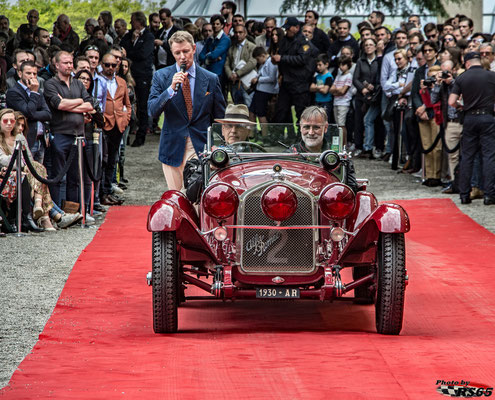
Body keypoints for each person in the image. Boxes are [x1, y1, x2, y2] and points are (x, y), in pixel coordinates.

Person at [148, 31, 226, 191]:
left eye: (185, 51)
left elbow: (219, 117)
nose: (182, 56)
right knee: (176, 199)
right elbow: (152, 111)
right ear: (172, 53)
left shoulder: (211, 78)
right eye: (177, 53)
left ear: (194, 49)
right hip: (172, 146)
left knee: (196, 199)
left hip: (200, 146)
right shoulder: (161, 76)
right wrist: (170, 90)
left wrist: (218, 145)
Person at [43, 51, 94, 209]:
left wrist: (70, 103)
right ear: (57, 65)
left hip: (78, 135)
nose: (69, 65)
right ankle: (57, 210)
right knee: (58, 176)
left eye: (71, 62)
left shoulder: (78, 83)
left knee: (75, 177)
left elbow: (90, 105)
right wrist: (78, 102)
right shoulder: (51, 84)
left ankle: (73, 211)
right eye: (65, 63)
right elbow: (58, 105)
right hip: (60, 134)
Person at [449, 52, 495, 205]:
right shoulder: (491, 76)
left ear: (466, 62)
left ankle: (464, 194)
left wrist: (461, 106)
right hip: (488, 116)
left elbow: (451, 101)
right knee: (489, 155)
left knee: (467, 156)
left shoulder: (462, 77)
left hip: (470, 117)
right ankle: (489, 194)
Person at [0, 108, 54, 231]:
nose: (9, 123)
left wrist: (19, 162)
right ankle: (41, 214)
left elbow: (29, 159)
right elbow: (3, 161)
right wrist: (18, 161)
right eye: (5, 121)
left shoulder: (19, 137)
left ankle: (37, 207)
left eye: (11, 121)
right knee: (28, 174)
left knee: (37, 168)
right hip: (6, 174)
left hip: (23, 170)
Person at [99, 53, 131, 205]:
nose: (110, 68)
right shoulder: (97, 80)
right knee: (102, 160)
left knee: (113, 159)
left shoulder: (122, 82)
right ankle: (100, 193)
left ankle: (107, 191)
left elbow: (128, 104)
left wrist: (126, 120)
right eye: (107, 65)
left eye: (114, 65)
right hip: (103, 124)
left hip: (118, 125)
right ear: (102, 64)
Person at [120, 11, 155, 147]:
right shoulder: (129, 36)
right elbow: (122, 49)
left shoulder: (148, 36)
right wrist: (132, 41)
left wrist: (131, 51)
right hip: (128, 74)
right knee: (127, 103)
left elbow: (143, 54)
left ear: (139, 22)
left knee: (142, 105)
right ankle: (127, 133)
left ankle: (141, 135)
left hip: (142, 75)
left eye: (132, 21)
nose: (130, 23)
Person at [6, 60, 51, 161]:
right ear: (20, 73)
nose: (32, 76)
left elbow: (48, 114)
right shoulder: (13, 92)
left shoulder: (38, 91)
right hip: (26, 139)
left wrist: (32, 115)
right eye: (28, 73)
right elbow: (27, 112)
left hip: (40, 139)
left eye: (34, 74)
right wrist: (34, 93)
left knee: (39, 174)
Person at [224, 25, 257, 107]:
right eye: (236, 32)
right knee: (236, 107)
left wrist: (237, 74)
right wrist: (230, 75)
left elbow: (252, 63)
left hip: (247, 82)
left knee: (248, 106)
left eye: (240, 32)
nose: (238, 34)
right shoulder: (231, 48)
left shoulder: (252, 46)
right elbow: (226, 64)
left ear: (245, 33)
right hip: (234, 82)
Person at [249, 46, 278, 127]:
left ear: (263, 55)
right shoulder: (264, 63)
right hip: (259, 90)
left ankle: (265, 135)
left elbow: (272, 78)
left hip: (265, 91)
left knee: (261, 114)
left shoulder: (271, 62)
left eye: (258, 59)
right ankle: (252, 133)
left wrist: (258, 79)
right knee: (252, 112)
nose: (258, 61)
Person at [330, 56, 353, 148]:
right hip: (336, 102)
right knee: (337, 124)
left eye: (343, 64)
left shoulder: (349, 76)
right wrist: (337, 90)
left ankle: (344, 144)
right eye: (340, 64)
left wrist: (337, 90)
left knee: (341, 124)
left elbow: (343, 91)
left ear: (348, 65)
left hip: (344, 103)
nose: (341, 67)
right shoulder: (339, 76)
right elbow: (331, 89)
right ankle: (339, 144)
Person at [199, 14, 231, 79]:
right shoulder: (210, 39)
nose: (215, 26)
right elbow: (201, 55)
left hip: (219, 72)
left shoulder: (225, 39)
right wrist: (208, 59)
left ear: (222, 25)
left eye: (217, 24)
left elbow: (214, 54)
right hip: (209, 71)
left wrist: (208, 56)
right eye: (213, 24)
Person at [310, 54, 333, 121]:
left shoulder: (329, 76)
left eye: (320, 65)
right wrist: (320, 87)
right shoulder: (317, 75)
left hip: (326, 102)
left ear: (326, 65)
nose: (318, 67)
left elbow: (325, 91)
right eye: (317, 65)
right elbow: (311, 88)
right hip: (317, 101)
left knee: (324, 121)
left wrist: (316, 87)